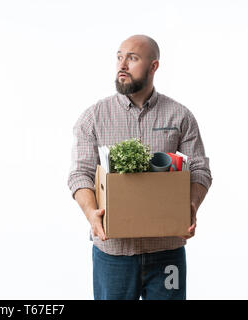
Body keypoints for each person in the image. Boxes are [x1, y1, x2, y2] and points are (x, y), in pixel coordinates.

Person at [67, 34, 212, 300]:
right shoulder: (94, 117)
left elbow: (200, 169)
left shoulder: (179, 116)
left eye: (132, 58)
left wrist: (190, 206)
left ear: (154, 66)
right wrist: (91, 214)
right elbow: (80, 175)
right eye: (119, 56)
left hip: (167, 250)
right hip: (114, 253)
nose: (122, 64)